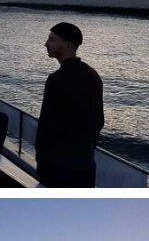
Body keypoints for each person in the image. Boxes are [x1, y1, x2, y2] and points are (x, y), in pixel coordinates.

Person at [35, 23, 103, 186]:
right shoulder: (93, 75)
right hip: (84, 164)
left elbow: (46, 124)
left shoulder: (56, 79)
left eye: (51, 39)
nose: (46, 44)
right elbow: (98, 120)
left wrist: (41, 156)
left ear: (67, 45)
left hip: (57, 166)